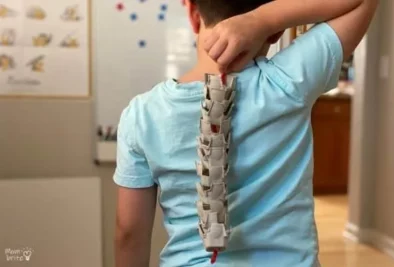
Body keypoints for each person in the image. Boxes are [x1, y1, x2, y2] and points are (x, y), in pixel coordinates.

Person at [114, 0, 378, 266]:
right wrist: (265, 19)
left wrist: (261, 19)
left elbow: (129, 233)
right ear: (276, 34)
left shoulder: (141, 114)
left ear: (193, 14)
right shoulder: (289, 81)